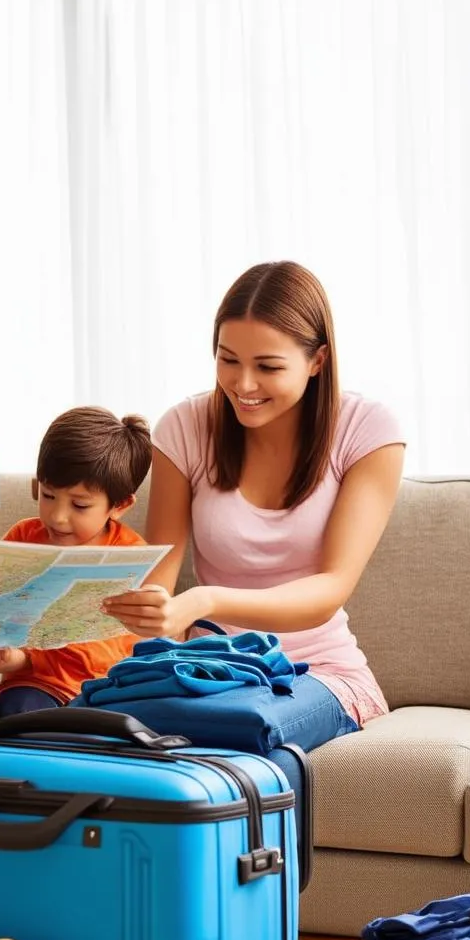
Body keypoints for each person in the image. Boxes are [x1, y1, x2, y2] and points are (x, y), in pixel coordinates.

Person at [102, 260, 405, 733]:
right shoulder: (184, 427)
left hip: (320, 673)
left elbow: (331, 588)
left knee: (248, 725)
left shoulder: (367, 431)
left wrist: (202, 602)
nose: (242, 385)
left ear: (317, 361)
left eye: (267, 366)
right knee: (117, 724)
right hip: (213, 670)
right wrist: (145, 609)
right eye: (228, 360)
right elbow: (157, 582)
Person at [0, 406, 152, 720]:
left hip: (103, 688)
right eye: (48, 496)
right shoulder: (23, 538)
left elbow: (109, 655)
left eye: (79, 504)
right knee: (12, 716)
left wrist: (23, 658)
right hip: (32, 685)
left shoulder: (129, 554)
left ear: (119, 505)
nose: (57, 516)